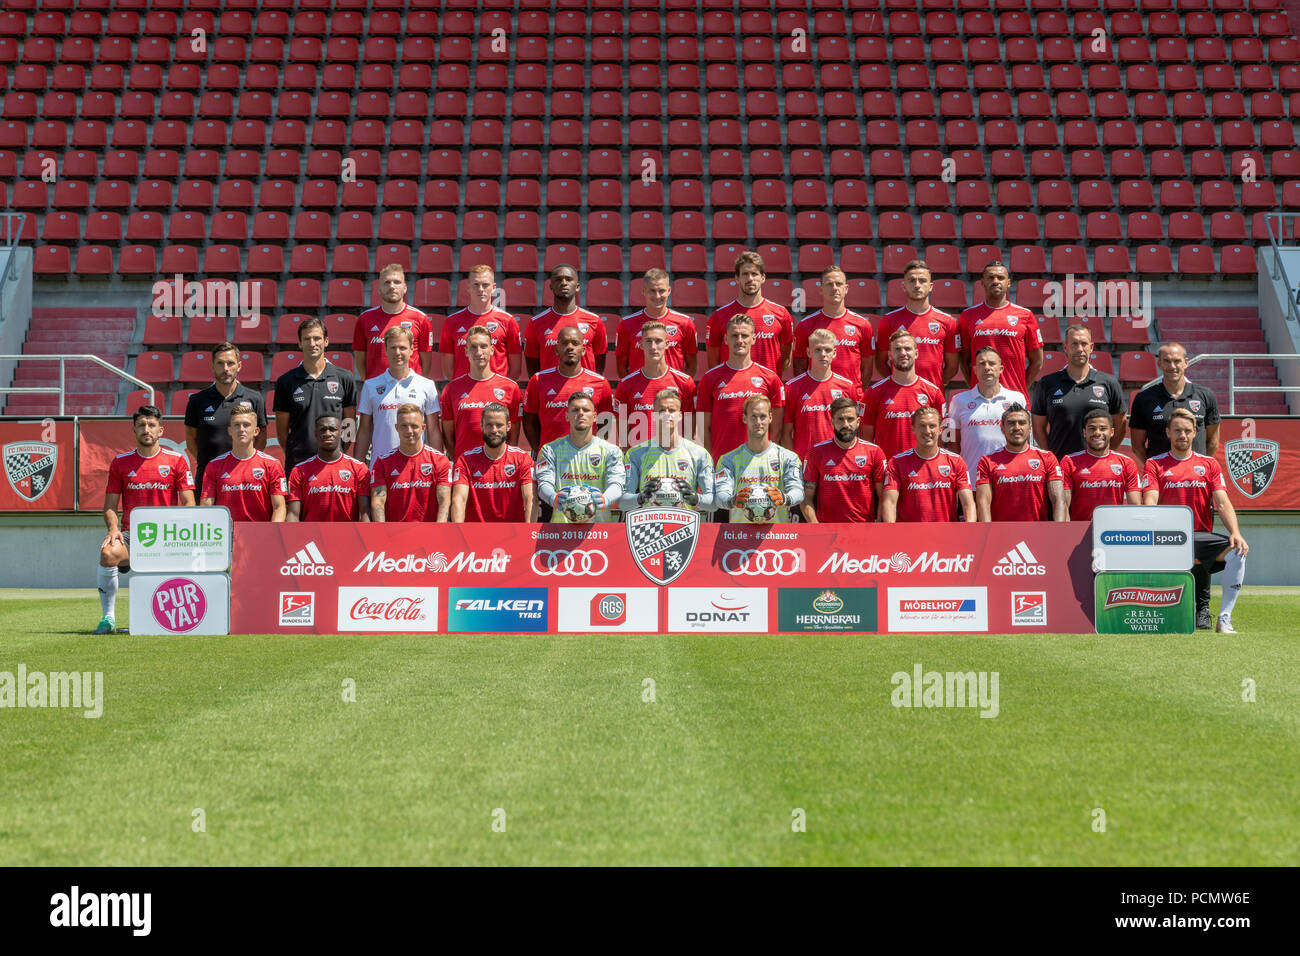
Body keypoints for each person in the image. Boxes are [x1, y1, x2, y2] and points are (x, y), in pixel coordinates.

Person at [1143, 408, 1248, 632]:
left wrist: (1235, 533)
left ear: (1194, 433)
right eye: (1177, 430)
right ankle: (1169, 612)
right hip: (1167, 537)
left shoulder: (1209, 464)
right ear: (1168, 432)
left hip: (1200, 535)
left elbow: (1222, 501)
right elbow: (1150, 499)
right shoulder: (1154, 464)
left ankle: (1224, 619)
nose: (1182, 435)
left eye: (1187, 431)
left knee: (1237, 550)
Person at [96, 404, 195, 633]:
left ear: (161, 430)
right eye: (141, 425)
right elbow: (110, 507)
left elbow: (189, 502)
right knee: (108, 553)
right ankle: (108, 618)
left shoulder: (177, 460)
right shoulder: (121, 462)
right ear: (134, 430)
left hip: (170, 537)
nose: (146, 429)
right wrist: (113, 530)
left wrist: (180, 531)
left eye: (151, 425)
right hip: (134, 536)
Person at [274, 317, 357, 475]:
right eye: (307, 339)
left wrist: (338, 449)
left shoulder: (344, 377)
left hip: (334, 463)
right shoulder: (285, 381)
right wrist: (295, 452)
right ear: (299, 343)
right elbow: (282, 433)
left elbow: (349, 425)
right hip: (298, 465)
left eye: (317, 338)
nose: (312, 343)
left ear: (326, 341)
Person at [697, 314, 786, 463]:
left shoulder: (770, 378)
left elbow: (776, 429)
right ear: (725, 339)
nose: (739, 340)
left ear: (754, 338)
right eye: (734, 336)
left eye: (744, 335)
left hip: (759, 463)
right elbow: (702, 427)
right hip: (722, 464)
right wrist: (709, 461)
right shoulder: (709, 378)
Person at [1031, 322, 1126, 460]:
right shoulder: (1047, 383)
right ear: (1065, 347)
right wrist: (1051, 459)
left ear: (1091, 347)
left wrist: (1104, 456)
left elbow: (1120, 427)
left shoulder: (1109, 382)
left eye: (1084, 344)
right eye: (1074, 344)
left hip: (1096, 467)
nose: (1079, 349)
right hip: (1060, 465)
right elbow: (1038, 428)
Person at [184, 342, 267, 492]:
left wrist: (247, 462)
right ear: (212, 366)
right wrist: (211, 465)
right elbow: (191, 439)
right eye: (220, 364)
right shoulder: (197, 400)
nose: (226, 369)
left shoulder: (254, 398)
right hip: (208, 477)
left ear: (239, 366)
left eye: (230, 363)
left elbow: (261, 437)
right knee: (207, 516)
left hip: (244, 475)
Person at [355, 325, 442, 466]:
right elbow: (364, 430)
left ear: (412, 350)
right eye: (393, 347)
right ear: (385, 350)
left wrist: (439, 464)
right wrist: (357, 467)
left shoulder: (427, 385)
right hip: (380, 468)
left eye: (402, 348)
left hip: (417, 468)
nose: (397, 352)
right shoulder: (370, 386)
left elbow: (433, 430)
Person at [1128, 341, 1221, 470]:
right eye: (1166, 361)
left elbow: (1213, 442)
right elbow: (1137, 446)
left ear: (1186, 362)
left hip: (1196, 478)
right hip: (1160, 481)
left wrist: (1200, 467)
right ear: (1159, 363)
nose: (1172, 366)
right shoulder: (1143, 399)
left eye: (1177, 361)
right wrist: (1156, 471)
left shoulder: (1205, 395)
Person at [957, 261, 1044, 398]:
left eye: (1000, 278)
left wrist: (1020, 388)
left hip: (1014, 397)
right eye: (990, 277)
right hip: (980, 397)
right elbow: (964, 360)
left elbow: (1037, 361)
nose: (996, 281)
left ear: (1008, 283)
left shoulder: (1025, 315)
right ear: (982, 282)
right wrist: (975, 387)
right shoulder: (967, 316)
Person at [621, 388, 716, 513]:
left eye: (672, 410)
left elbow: (714, 503)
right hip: (649, 526)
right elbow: (623, 503)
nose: (667, 414)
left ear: (680, 415)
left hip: (685, 526)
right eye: (661, 411)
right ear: (654, 416)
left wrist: (695, 499)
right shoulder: (635, 454)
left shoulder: (699, 454)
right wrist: (641, 498)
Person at [535, 394, 626, 523]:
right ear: (567, 416)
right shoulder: (550, 450)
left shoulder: (611, 451)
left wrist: (605, 499)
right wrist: (553, 497)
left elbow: (617, 484)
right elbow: (544, 484)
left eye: (586, 410)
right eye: (575, 410)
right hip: (561, 531)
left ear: (595, 416)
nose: (581, 413)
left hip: (599, 531)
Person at [713, 395, 805, 523]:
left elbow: (798, 491)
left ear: (770, 418)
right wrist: (732, 500)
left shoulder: (788, 457)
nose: (758, 422)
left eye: (762, 416)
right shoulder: (728, 460)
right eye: (753, 417)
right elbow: (720, 496)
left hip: (777, 537)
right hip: (740, 536)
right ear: (744, 418)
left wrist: (785, 498)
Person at [523, 325, 613, 453]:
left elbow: (606, 421)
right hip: (550, 457)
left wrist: (596, 451)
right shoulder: (538, 380)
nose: (570, 347)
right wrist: (539, 449)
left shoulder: (600, 383)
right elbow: (529, 422)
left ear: (583, 350)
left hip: (586, 457)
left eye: (575, 343)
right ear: (556, 350)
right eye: (564, 343)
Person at [945, 345, 1027, 485]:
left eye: (992, 363)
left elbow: (1025, 442)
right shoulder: (958, 400)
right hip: (971, 481)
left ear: (1000, 369)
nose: (987, 367)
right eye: (982, 364)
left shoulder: (1017, 398)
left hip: (1008, 479)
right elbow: (952, 443)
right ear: (975, 370)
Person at [705, 250, 794, 377]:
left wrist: (771, 379)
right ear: (737, 278)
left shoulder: (781, 314)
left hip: (767, 390)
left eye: (754, 274)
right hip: (732, 389)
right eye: (745, 274)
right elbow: (713, 362)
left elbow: (785, 358)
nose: (750, 279)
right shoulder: (719, 316)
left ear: (763, 278)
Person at [440, 324, 523, 459]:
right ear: (466, 351)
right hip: (465, 469)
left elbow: (513, 436)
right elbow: (447, 436)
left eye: (483, 346)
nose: (479, 352)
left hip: (499, 469)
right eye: (473, 347)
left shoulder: (510, 388)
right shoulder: (451, 389)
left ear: (491, 350)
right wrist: (459, 461)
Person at [861, 329, 946, 460]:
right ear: (889, 355)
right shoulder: (873, 393)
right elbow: (865, 440)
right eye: (897, 349)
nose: (903, 353)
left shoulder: (933, 393)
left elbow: (940, 438)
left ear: (916, 353)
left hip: (921, 470)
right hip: (887, 471)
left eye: (907, 348)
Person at [880, 407, 976, 522]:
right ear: (913, 429)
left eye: (932, 426)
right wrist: (892, 535)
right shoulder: (896, 463)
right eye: (922, 426)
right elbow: (889, 503)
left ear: (941, 430)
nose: (927, 431)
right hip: (909, 536)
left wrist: (970, 532)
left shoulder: (956, 461)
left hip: (946, 536)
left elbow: (968, 504)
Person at [800, 396, 888, 523]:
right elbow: (806, 498)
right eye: (840, 419)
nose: (846, 424)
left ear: (858, 422)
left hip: (863, 531)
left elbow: (883, 497)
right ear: (832, 422)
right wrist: (817, 529)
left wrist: (878, 525)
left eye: (850, 419)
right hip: (829, 533)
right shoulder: (816, 452)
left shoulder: (874, 452)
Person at [874, 259, 958, 389]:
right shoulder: (889, 320)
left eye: (922, 280)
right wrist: (897, 384)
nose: (917, 285)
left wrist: (935, 386)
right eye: (912, 281)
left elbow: (952, 366)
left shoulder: (947, 321)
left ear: (930, 286)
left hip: (932, 397)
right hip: (898, 394)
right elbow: (880, 363)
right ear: (904, 286)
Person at [613, 319, 696, 449]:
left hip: (675, 459)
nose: (653, 347)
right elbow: (621, 433)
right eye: (648, 341)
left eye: (658, 341)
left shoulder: (684, 382)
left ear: (667, 344)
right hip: (640, 460)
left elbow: (690, 429)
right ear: (640, 345)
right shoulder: (626, 384)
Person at [975, 405, 1066, 522]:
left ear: (1030, 428)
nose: (1017, 427)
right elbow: (983, 504)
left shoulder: (1047, 458)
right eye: (1011, 423)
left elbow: (1058, 500)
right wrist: (988, 535)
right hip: (1001, 535)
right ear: (1002, 428)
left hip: (1038, 534)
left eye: (1022, 423)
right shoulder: (987, 461)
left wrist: (1058, 533)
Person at [782, 328, 862, 461]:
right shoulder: (792, 387)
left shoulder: (847, 387)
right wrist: (794, 463)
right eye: (818, 350)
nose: (823, 354)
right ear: (809, 352)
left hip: (838, 462)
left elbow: (853, 430)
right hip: (804, 463)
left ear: (835, 353)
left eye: (828, 350)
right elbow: (786, 433)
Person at [450, 403, 536, 522]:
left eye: (499, 425)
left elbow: (530, 499)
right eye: (489, 425)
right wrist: (459, 535)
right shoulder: (465, 460)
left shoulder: (522, 459)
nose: (494, 430)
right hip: (474, 537)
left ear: (508, 426)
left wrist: (528, 535)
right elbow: (459, 500)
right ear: (481, 426)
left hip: (515, 536)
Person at [199, 406, 286, 522]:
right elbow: (206, 507)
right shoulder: (214, 465)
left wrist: (271, 533)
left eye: (246, 425)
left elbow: (279, 507)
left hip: (261, 535)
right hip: (227, 535)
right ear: (230, 431)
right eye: (236, 425)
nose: (241, 429)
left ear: (256, 431)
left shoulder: (272, 464)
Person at [791, 264, 874, 385]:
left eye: (839, 284)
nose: (834, 288)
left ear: (846, 289)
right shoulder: (805, 325)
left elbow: (867, 369)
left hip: (849, 399)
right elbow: (799, 367)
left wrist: (855, 392)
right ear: (821, 289)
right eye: (829, 284)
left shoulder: (862, 324)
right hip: (817, 397)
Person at [439, 264, 522, 382]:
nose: (481, 289)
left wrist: (501, 388)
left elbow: (516, 369)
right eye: (476, 285)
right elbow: (448, 369)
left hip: (496, 394)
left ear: (494, 288)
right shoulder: (451, 321)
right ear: (468, 288)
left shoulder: (508, 321)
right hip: (464, 394)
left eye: (485, 285)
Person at [369, 404, 452, 522]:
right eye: (404, 426)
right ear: (396, 428)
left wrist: (438, 533)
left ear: (423, 428)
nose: (409, 431)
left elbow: (444, 501)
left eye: (414, 426)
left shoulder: (440, 460)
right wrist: (382, 534)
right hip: (394, 535)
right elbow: (378, 503)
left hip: (429, 535)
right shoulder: (382, 462)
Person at [351, 263, 434, 380]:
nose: (392, 286)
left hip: (411, 390)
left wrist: (418, 385)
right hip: (377, 391)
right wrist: (372, 383)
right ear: (379, 289)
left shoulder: (420, 318)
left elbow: (426, 362)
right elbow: (360, 359)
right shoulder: (364, 319)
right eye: (386, 282)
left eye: (397, 282)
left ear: (405, 288)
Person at [1060, 407, 1143, 521]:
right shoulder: (1069, 461)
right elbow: (1063, 505)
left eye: (1103, 428)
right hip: (1079, 531)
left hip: (1113, 532)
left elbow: (1135, 506)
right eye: (1092, 428)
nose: (1097, 433)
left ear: (1112, 432)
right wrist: (1067, 532)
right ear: (1085, 432)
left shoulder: (1127, 463)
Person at [523, 264, 606, 376]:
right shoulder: (536, 323)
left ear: (577, 286)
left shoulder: (594, 321)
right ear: (551, 286)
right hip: (550, 390)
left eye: (568, 279)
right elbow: (532, 365)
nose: (563, 283)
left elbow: (599, 363)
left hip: (584, 390)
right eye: (558, 280)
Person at [615, 268, 698, 379]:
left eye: (661, 291)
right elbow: (621, 367)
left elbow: (692, 366)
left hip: (672, 393)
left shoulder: (685, 323)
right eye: (652, 291)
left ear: (669, 291)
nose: (657, 296)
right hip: (640, 393)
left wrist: (679, 388)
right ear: (644, 291)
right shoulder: (626, 324)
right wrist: (633, 389)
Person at [287, 415, 370, 522]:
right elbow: (293, 514)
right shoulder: (299, 471)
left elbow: (365, 511)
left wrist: (362, 537)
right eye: (322, 430)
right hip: (312, 536)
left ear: (341, 433)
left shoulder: (359, 468)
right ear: (315, 434)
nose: (327, 434)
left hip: (348, 536)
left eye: (332, 429)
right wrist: (294, 538)